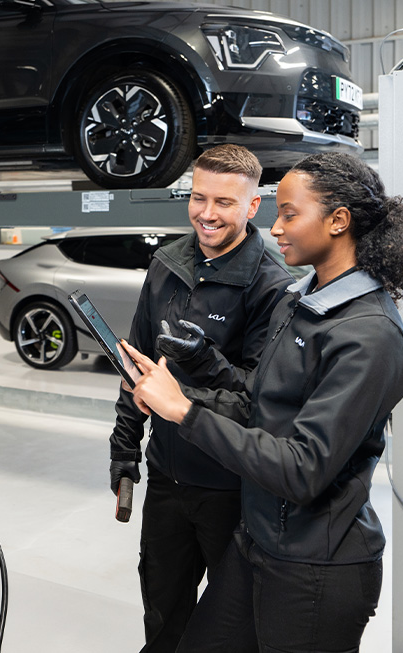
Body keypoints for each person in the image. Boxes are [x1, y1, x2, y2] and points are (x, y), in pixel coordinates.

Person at [123, 151, 403, 652]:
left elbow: (303, 467)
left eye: (289, 213)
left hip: (315, 565)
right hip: (259, 536)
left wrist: (185, 410)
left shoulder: (369, 335)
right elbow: (257, 402)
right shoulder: (300, 301)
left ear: (337, 221)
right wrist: (187, 381)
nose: (277, 226)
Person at [108, 144, 293, 653]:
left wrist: (194, 374)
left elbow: (258, 402)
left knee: (232, 628)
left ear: (254, 207)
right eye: (199, 197)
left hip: (229, 489)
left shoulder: (271, 286)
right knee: (163, 617)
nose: (207, 214)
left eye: (225, 203)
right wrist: (124, 450)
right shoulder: (167, 264)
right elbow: (135, 365)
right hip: (167, 480)